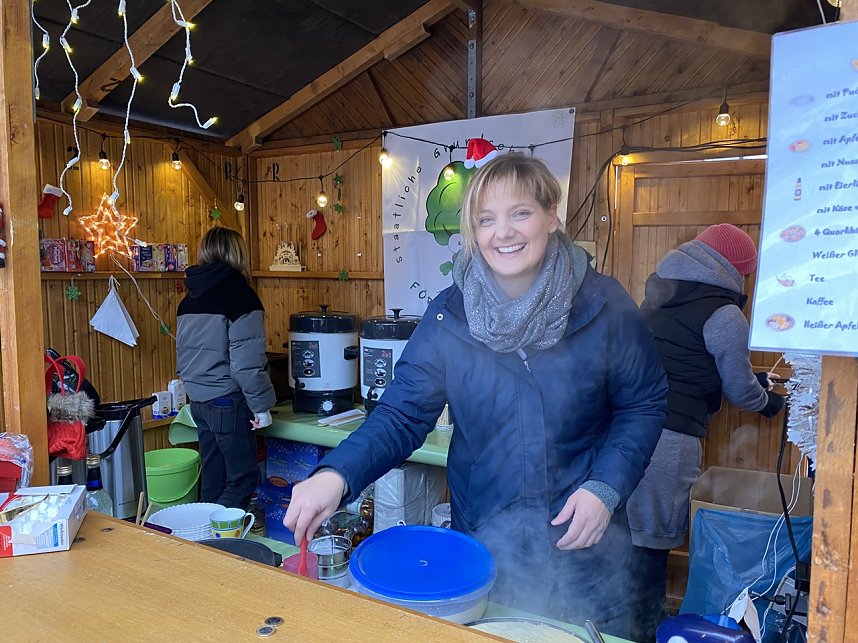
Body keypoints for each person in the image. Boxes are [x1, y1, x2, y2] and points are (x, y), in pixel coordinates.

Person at [284, 154, 668, 638]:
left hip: (585, 545)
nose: (503, 233)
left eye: (520, 213)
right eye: (486, 219)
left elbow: (643, 404)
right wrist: (337, 474)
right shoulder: (450, 315)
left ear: (551, 217)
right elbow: (402, 414)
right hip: (486, 546)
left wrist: (605, 488)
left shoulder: (604, 306)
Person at [626, 224, 787, 642]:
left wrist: (755, 379)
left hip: (625, 428)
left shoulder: (660, 292)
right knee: (652, 541)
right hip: (670, 435)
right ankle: (646, 631)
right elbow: (738, 390)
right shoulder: (724, 313)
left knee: (625, 534)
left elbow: (684, 359)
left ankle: (625, 624)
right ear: (738, 269)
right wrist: (769, 403)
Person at [176, 226, 275, 510]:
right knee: (243, 480)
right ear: (237, 253)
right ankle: (223, 536)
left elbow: (184, 355)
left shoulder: (189, 299)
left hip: (198, 402)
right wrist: (261, 407)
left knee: (214, 479)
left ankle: (204, 535)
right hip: (226, 402)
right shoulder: (241, 297)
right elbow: (246, 364)